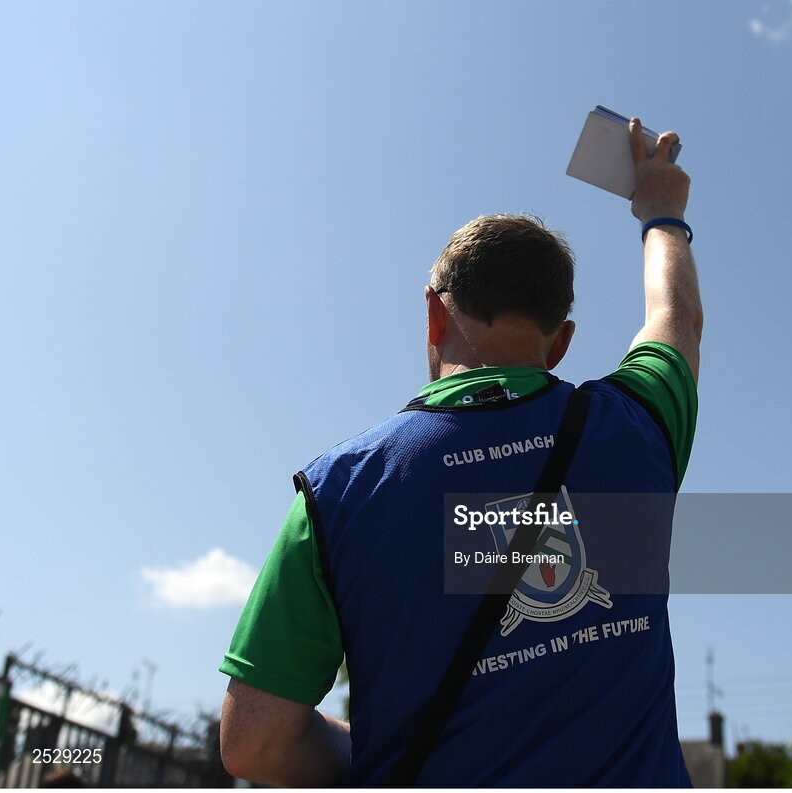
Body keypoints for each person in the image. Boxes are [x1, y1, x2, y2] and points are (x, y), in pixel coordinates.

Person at [218, 119, 703, 786]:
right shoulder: (636, 428)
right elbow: (675, 319)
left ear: (434, 316)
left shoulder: (340, 492)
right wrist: (662, 214)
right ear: (560, 341)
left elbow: (255, 744)